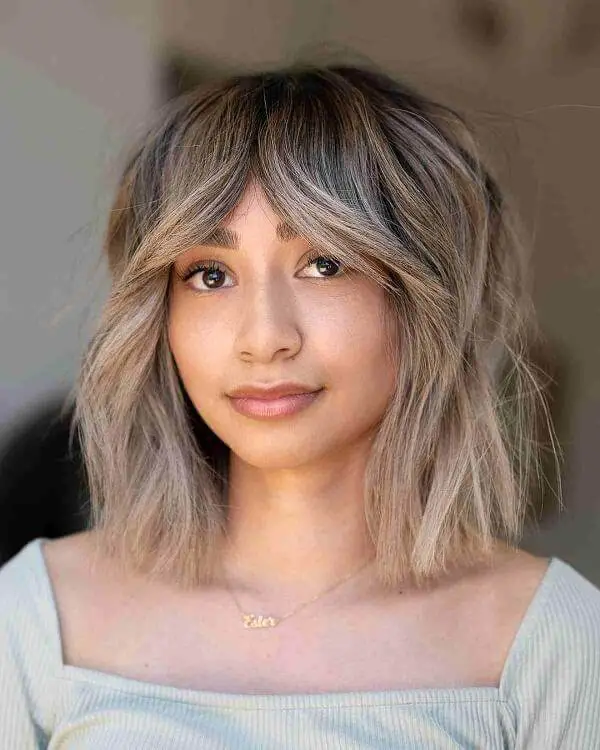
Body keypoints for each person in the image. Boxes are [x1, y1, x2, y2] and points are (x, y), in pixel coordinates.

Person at [1, 61, 599, 750]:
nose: (264, 338)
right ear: (159, 315)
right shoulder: (39, 618)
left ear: (424, 298)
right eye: (209, 274)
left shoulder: (551, 644)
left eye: (325, 264)